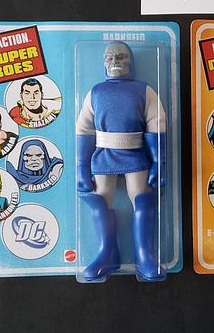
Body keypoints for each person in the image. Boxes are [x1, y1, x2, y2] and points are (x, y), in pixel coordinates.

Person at [76, 41, 166, 281]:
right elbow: (84, 130)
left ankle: (145, 257)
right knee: (99, 198)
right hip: (103, 154)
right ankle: (107, 253)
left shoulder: (144, 91)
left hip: (135, 153)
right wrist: (81, 168)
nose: (115, 61)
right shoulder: (95, 92)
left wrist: (159, 163)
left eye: (121, 56)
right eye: (110, 57)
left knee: (142, 197)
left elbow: (157, 125)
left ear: (130, 60)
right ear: (103, 62)